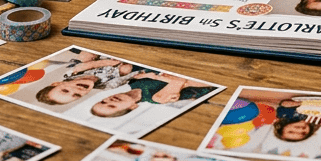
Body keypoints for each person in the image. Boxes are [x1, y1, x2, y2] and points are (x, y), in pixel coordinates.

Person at [88, 72, 217, 118]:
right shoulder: (157, 98)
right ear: (132, 107)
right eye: (112, 107)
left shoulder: (133, 81)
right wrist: (153, 76)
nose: (111, 101)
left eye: (103, 102)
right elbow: (181, 80)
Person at [35, 51, 142, 106]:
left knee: (85, 57)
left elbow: (94, 64)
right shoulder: (105, 86)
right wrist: (127, 69)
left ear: (57, 83)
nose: (77, 90)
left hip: (99, 61)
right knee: (125, 70)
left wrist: (112, 61)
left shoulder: (71, 73)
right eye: (76, 95)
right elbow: (127, 77)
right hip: (118, 68)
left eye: (65, 90)